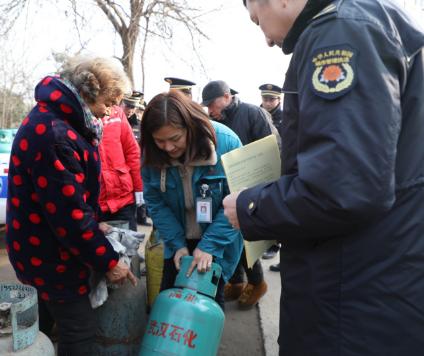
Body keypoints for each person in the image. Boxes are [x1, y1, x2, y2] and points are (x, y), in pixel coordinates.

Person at [223, 0, 424, 355]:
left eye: (257, 20)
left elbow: (342, 190)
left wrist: (250, 206)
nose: (268, 40)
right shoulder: (369, 21)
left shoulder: (338, 31)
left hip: (348, 303)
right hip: (377, 286)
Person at [5, 55, 137, 355]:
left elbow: (68, 200)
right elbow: (70, 219)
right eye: (111, 99)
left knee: (38, 323)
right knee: (78, 330)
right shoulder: (57, 134)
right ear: (92, 92)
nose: (112, 109)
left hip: (37, 248)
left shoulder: (58, 117)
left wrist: (96, 221)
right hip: (50, 257)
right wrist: (109, 262)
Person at [141, 90, 243, 310]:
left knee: (206, 308)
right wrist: (176, 244)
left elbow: (237, 201)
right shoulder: (150, 152)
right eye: (160, 141)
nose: (168, 148)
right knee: (169, 303)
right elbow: (155, 201)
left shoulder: (226, 142)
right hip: (176, 237)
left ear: (191, 126)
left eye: (175, 138)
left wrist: (210, 246)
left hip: (217, 238)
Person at [202, 79, 277, 309]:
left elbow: (273, 149)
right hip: (225, 187)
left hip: (252, 188)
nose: (210, 110)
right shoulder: (216, 119)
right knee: (229, 240)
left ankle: (257, 283)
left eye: (212, 105)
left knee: (247, 241)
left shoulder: (253, 113)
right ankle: (236, 282)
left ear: (226, 97)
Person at [98, 103, 143, 232]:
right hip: (95, 205)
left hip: (123, 200)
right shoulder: (78, 115)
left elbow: (132, 152)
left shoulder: (117, 113)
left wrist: (139, 190)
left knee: (128, 248)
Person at [259, 83, 283, 271]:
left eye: (270, 99)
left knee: (278, 208)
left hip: (281, 167)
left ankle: (276, 244)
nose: (267, 103)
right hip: (263, 165)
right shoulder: (258, 114)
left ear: (278, 99)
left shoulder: (284, 117)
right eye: (265, 99)